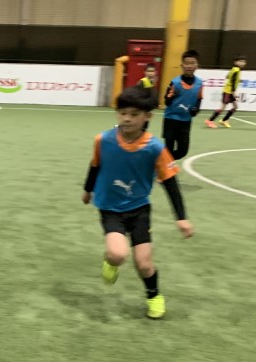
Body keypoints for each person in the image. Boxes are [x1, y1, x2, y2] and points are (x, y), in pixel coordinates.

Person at [82, 86, 194, 319]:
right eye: (123, 113)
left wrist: (181, 218)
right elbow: (95, 165)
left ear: (147, 116)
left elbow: (170, 182)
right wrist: (87, 190)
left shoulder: (155, 148)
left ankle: (154, 296)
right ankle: (111, 262)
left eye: (134, 114)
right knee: (117, 254)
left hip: (139, 209)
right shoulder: (103, 140)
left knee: (144, 264)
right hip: (110, 208)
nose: (127, 118)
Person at [162, 49, 204, 160]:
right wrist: (171, 96)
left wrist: (196, 109)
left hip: (185, 121)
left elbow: (199, 99)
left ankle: (162, 161)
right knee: (168, 149)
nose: (189, 66)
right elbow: (166, 101)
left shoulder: (199, 83)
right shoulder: (175, 83)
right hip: (171, 119)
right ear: (182, 65)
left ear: (197, 65)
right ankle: (165, 165)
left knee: (182, 151)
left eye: (192, 63)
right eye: (186, 63)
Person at [206, 55, 246, 128]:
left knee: (235, 106)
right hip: (228, 92)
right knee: (222, 108)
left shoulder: (234, 69)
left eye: (243, 62)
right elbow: (233, 81)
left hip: (229, 91)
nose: (242, 63)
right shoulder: (236, 70)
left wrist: (238, 80)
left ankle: (224, 120)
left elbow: (227, 76)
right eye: (240, 61)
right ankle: (210, 121)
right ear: (235, 62)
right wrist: (233, 92)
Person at [136, 63, 160, 130]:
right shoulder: (142, 82)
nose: (150, 73)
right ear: (145, 72)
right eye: (148, 71)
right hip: (142, 109)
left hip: (148, 109)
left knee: (144, 126)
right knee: (140, 127)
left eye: (152, 71)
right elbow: (137, 95)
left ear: (155, 72)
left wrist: (156, 103)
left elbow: (153, 94)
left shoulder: (153, 82)